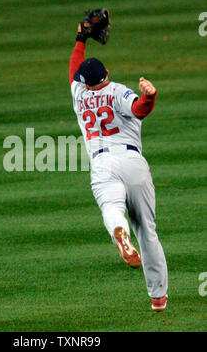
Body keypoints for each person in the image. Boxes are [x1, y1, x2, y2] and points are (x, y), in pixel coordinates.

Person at [69, 23, 168, 311]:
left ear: (84, 82)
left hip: (102, 163)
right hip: (132, 162)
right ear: (107, 75)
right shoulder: (116, 91)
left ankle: (118, 230)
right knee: (147, 231)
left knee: (111, 207)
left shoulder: (79, 94)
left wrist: (81, 37)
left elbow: (74, 68)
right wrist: (149, 96)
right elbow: (139, 110)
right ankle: (158, 297)